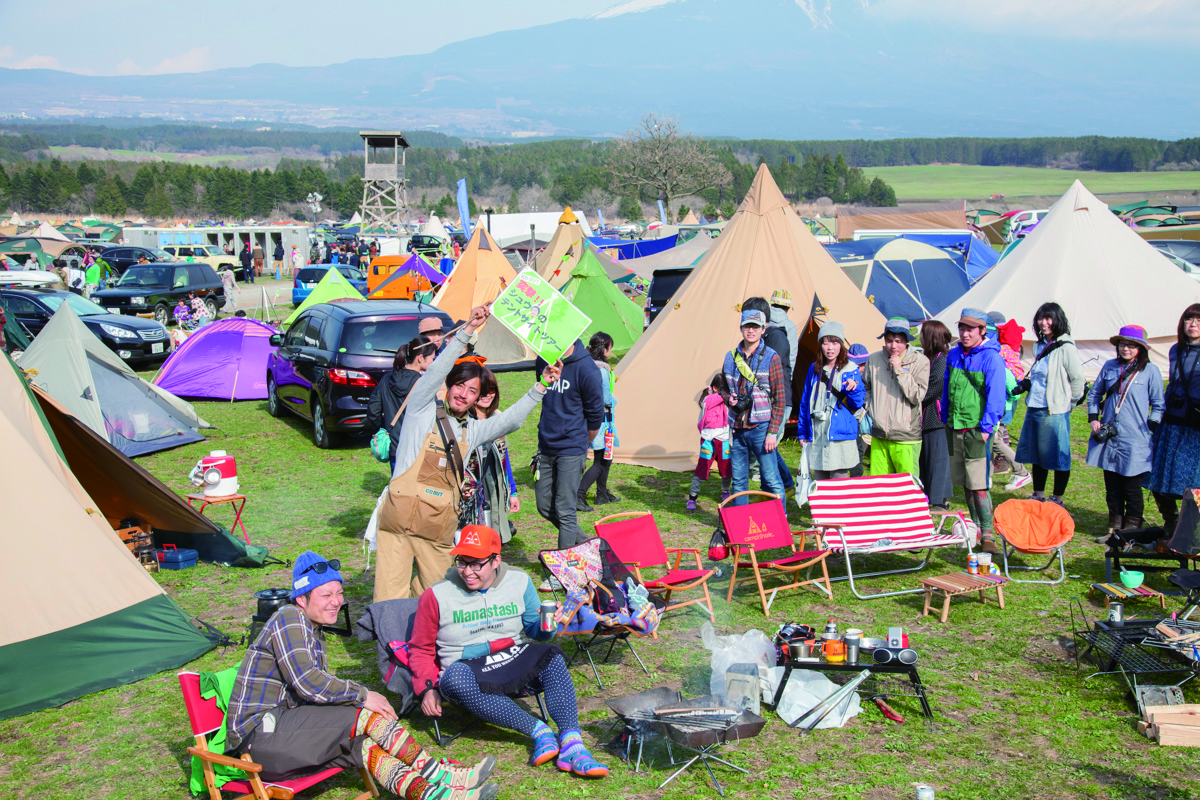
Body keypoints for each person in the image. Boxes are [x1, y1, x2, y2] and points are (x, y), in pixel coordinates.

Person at [227, 551, 500, 800]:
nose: (336, 602)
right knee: (364, 715)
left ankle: (438, 795)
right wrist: (362, 695)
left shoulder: (313, 630)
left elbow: (313, 693)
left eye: (339, 593)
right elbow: (307, 682)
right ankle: (443, 774)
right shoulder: (288, 617)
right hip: (260, 740)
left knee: (363, 745)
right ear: (301, 598)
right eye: (326, 595)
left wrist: (357, 700)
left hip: (287, 734)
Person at [375, 306, 559, 602]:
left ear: (478, 398)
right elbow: (435, 370)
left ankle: (422, 642)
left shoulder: (472, 430)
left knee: (434, 596)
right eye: (459, 385)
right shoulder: (421, 408)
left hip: (437, 527)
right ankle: (393, 644)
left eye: (472, 391)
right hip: (398, 522)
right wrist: (467, 331)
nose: (463, 394)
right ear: (448, 386)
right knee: (388, 596)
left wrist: (539, 388)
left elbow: (509, 421)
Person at [409, 525, 608, 779]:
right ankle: (540, 732)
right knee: (456, 679)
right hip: (465, 668)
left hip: (509, 658)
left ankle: (572, 743)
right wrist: (426, 688)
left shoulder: (519, 580)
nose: (467, 571)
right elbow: (420, 648)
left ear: (496, 560)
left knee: (552, 655)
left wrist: (550, 624)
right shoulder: (436, 595)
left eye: (476, 563)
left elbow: (536, 632)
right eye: (462, 562)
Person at [534, 338, 603, 581]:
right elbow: (542, 392)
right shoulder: (543, 359)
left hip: (572, 447)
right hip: (546, 445)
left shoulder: (587, 369)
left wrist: (582, 446)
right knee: (544, 505)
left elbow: (595, 416)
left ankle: (562, 570)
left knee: (565, 509)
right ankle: (585, 543)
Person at [1088, 325, 1165, 543]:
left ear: (1141, 348)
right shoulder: (1110, 366)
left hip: (1135, 439)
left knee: (1131, 488)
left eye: (1131, 345)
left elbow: (1159, 404)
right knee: (1112, 488)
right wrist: (1094, 418)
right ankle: (1113, 531)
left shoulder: (1151, 371)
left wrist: (1150, 426)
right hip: (1109, 438)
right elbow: (1095, 394)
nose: (1126, 349)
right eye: (1123, 344)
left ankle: (1131, 534)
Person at [941, 308, 1008, 554]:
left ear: (982, 331)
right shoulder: (954, 354)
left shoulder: (992, 357)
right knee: (966, 483)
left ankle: (988, 534)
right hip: (954, 426)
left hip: (978, 429)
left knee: (979, 484)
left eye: (970, 329)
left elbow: (996, 395)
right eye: (961, 328)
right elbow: (947, 385)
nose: (964, 333)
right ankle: (977, 528)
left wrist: (987, 428)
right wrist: (945, 416)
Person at [1013, 302, 1084, 507]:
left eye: (1048, 318)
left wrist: (1069, 403)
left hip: (1055, 409)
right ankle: (1038, 494)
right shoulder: (1039, 345)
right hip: (1035, 406)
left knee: (1059, 453)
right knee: (1037, 452)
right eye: (1040, 319)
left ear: (1057, 319)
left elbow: (1077, 379)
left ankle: (1057, 498)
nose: (1043, 323)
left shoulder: (1065, 347)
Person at [723, 308, 787, 503]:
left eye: (755, 327)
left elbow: (780, 399)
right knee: (739, 482)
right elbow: (723, 388)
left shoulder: (772, 357)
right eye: (747, 326)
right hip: (738, 427)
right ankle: (741, 527)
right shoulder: (730, 356)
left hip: (761, 428)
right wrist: (729, 398)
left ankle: (780, 523)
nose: (751, 330)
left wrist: (772, 433)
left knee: (772, 479)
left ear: (763, 328)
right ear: (741, 328)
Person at [1147, 304, 1200, 538]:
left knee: (1190, 481)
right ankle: (1172, 522)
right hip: (1169, 422)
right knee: (1157, 476)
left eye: (1199, 320)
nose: (1193, 325)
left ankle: (1190, 530)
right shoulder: (1175, 350)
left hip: (1195, 426)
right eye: (1189, 319)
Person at [861, 317, 929, 476]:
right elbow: (866, 387)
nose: (893, 345)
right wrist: (871, 408)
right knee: (879, 486)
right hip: (879, 434)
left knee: (907, 486)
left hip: (906, 436)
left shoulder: (920, 361)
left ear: (907, 341)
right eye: (889, 340)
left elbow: (917, 395)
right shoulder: (874, 359)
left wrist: (899, 370)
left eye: (898, 341)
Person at [797, 321, 864, 481]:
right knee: (820, 483)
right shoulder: (814, 369)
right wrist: (802, 431)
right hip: (818, 433)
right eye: (825, 343)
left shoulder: (850, 369)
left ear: (841, 345)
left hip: (839, 435)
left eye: (834, 343)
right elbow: (805, 402)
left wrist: (853, 389)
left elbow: (857, 404)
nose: (830, 348)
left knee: (839, 482)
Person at [744, 296, 796, 498]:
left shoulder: (776, 337)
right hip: (766, 399)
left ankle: (781, 487)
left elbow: (768, 370)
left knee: (767, 445)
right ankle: (773, 489)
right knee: (765, 446)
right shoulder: (770, 334)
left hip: (776, 399)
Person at [367, 334, 437, 473]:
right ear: (420, 358)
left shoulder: (387, 379)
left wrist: (384, 428)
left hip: (394, 445)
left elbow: (373, 409)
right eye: (432, 359)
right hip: (416, 447)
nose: (433, 363)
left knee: (397, 485)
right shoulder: (423, 384)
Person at [463, 375, 520, 541]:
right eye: (483, 391)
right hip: (472, 489)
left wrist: (512, 491)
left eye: (492, 390)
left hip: (495, 486)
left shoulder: (497, 419)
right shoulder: (464, 422)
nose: (488, 395)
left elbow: (505, 458)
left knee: (494, 534)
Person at [988, 312, 1032, 490]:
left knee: (996, 439)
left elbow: (1008, 382)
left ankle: (1020, 471)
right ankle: (987, 476)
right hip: (1000, 403)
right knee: (990, 440)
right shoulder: (1009, 349)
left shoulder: (1001, 351)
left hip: (1000, 404)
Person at [577, 333, 620, 509]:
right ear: (604, 348)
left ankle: (602, 493)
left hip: (594, 417)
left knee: (605, 458)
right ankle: (579, 494)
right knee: (601, 460)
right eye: (610, 346)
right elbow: (605, 398)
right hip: (602, 419)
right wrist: (615, 400)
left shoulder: (586, 365)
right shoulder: (602, 370)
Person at [918, 321, 953, 510]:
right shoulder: (931, 358)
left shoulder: (942, 359)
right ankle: (930, 496)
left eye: (923, 334)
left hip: (937, 416)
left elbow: (935, 386)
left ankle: (939, 500)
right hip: (927, 415)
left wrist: (915, 399)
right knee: (928, 458)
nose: (920, 338)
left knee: (938, 459)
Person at [687, 373, 733, 509]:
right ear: (715, 388)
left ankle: (725, 491)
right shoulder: (708, 399)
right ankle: (692, 497)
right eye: (723, 390)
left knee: (726, 468)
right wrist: (727, 395)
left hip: (723, 440)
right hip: (709, 440)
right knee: (702, 468)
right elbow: (715, 399)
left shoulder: (726, 403)